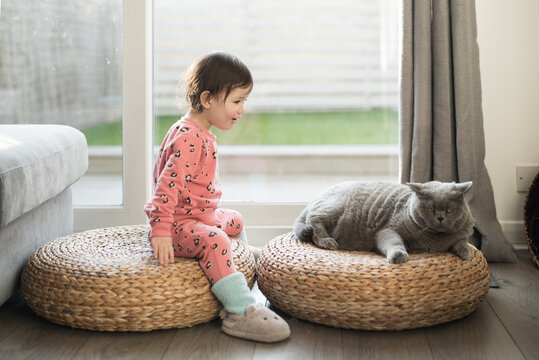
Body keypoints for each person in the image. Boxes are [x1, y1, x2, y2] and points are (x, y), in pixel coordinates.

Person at [144, 52, 290, 343]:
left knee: (234, 220)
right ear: (208, 99)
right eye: (237, 101)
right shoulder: (188, 139)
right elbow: (165, 188)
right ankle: (239, 310)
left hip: (200, 217)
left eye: (244, 102)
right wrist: (160, 231)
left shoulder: (199, 131)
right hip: (177, 226)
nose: (242, 109)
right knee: (216, 240)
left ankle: (245, 268)